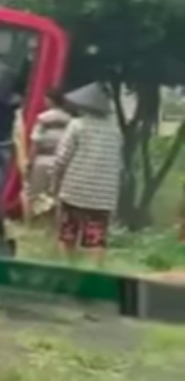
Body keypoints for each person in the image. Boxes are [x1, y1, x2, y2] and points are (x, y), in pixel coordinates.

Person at [51, 82, 122, 262]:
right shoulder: (115, 130)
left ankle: (69, 270)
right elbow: (119, 163)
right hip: (103, 195)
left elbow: (62, 158)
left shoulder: (77, 125)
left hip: (75, 190)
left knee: (68, 234)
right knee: (96, 239)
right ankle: (96, 277)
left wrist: (55, 183)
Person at [25, 87, 71, 222]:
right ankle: (56, 221)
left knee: (38, 191)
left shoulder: (43, 118)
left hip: (43, 159)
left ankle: (37, 220)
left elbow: (36, 141)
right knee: (57, 192)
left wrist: (30, 161)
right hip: (62, 160)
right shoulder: (69, 119)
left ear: (50, 100)